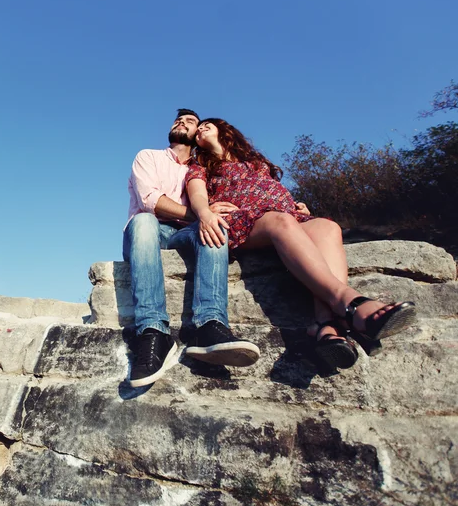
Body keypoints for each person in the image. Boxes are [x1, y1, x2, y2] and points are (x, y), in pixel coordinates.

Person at [185, 118, 417, 372]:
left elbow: (273, 189)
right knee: (281, 222)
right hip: (245, 220)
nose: (201, 129)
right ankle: (348, 303)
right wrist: (205, 213)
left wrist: (296, 205)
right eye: (198, 130)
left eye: (207, 125)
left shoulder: (256, 162)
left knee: (328, 227)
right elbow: (197, 194)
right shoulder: (200, 165)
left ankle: (325, 326)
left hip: (285, 214)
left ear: (224, 129)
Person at [124, 109, 260, 388]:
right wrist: (200, 213)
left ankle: (210, 326)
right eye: (178, 120)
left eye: (189, 122)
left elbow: (242, 194)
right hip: (150, 232)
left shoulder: (203, 169)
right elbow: (150, 199)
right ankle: (153, 331)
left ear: (198, 135)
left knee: (217, 224)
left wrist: (293, 207)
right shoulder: (148, 156)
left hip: (185, 234)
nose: (181, 123)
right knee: (145, 219)